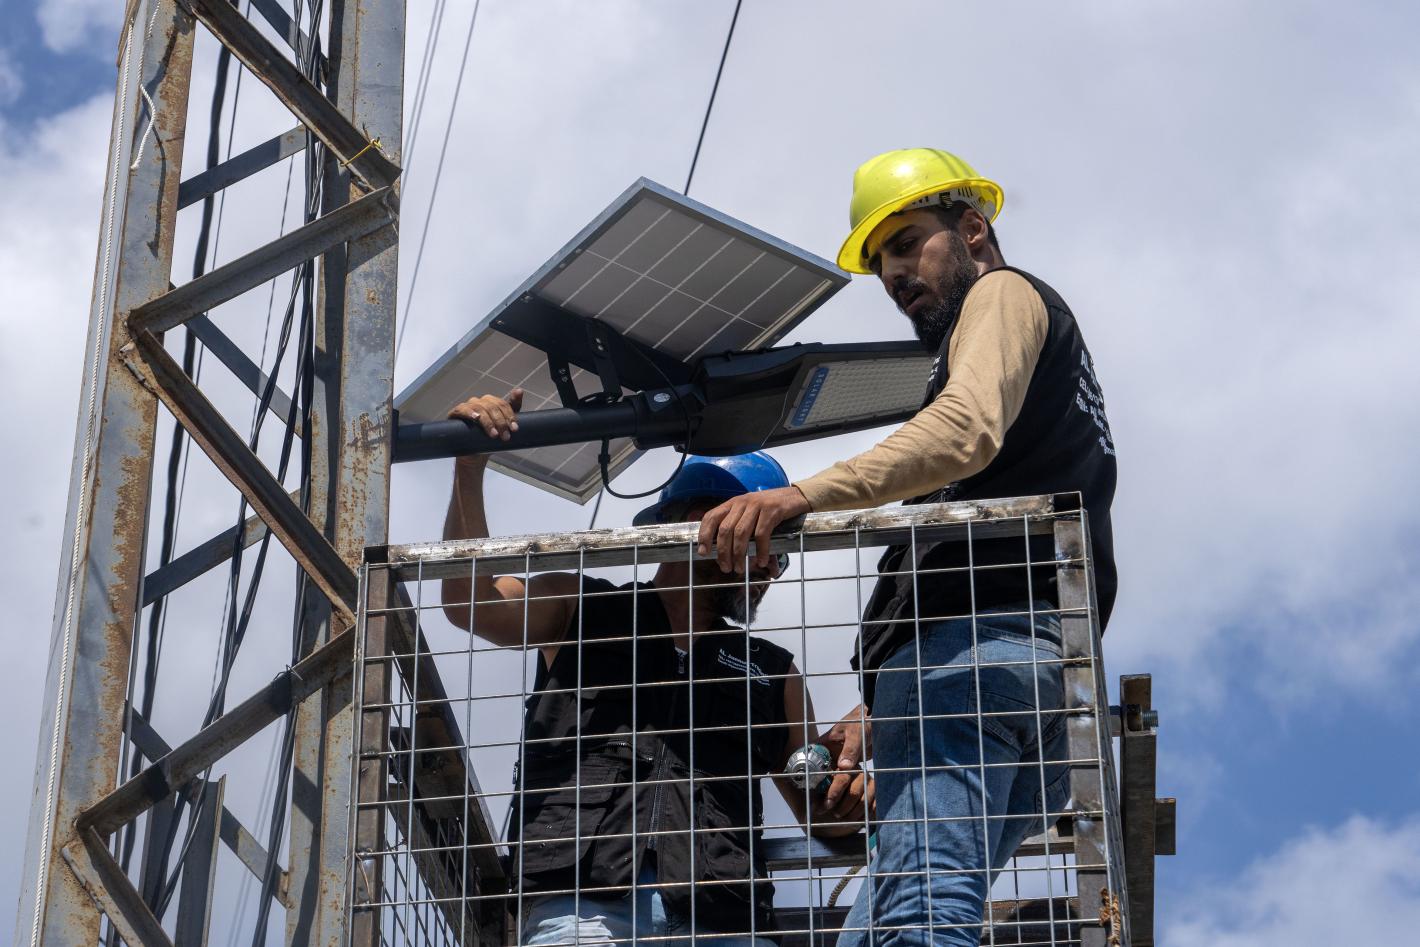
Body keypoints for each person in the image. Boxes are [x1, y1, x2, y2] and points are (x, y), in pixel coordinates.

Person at [696, 148, 1118, 946]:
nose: (893, 273)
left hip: (972, 666)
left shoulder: (1002, 294)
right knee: (883, 926)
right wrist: (877, 708)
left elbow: (965, 430)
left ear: (972, 229)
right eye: (881, 261)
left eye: (907, 242)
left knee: (923, 915)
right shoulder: (1014, 355)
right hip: (1026, 673)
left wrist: (800, 494)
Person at [441, 389, 872, 947]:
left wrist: (859, 780)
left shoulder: (774, 672)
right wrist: (469, 467)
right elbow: (470, 604)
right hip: (583, 910)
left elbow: (821, 814)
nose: (771, 568)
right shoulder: (578, 608)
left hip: (726, 922)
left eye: (781, 555)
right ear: (705, 523)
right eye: (767, 543)